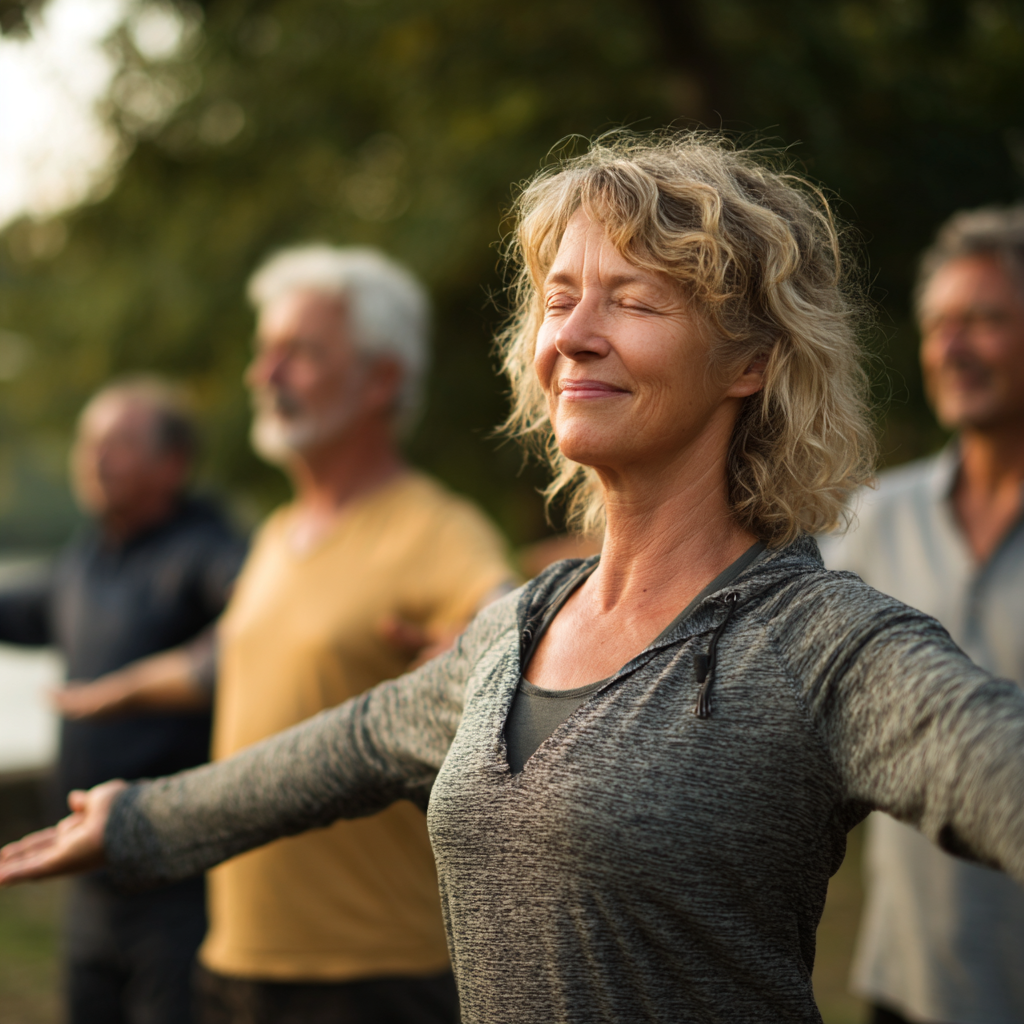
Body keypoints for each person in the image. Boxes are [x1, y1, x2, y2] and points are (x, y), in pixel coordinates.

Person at [4, 133, 1024, 1024]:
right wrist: (139, 821)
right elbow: (350, 744)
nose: (572, 336)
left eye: (630, 300)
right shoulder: (517, 628)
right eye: (560, 298)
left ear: (748, 359)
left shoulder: (823, 643)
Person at [74, 245, 514, 1024]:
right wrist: (111, 693)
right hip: (232, 965)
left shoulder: (437, 528)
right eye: (263, 350)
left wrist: (477, 643)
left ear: (381, 378)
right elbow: (228, 664)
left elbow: (505, 621)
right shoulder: (277, 535)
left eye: (298, 353)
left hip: (372, 978)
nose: (263, 374)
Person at [819, 207, 1024, 1024]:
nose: (952, 348)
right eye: (939, 324)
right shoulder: (875, 519)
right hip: (909, 987)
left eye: (986, 320)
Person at [0, 377, 246, 1024]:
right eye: (89, 443)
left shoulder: (210, 552)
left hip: (179, 880)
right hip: (88, 878)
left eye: (118, 444)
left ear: (173, 463)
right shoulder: (86, 560)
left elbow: (260, 630)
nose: (95, 458)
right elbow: (19, 610)